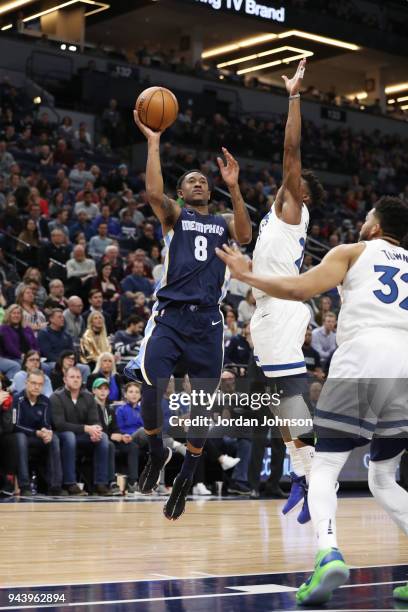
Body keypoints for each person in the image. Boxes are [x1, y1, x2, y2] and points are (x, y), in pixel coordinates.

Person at [216, 195, 408, 605]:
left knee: (325, 465)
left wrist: (248, 276)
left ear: (374, 227)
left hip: (364, 355)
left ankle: (328, 553)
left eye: (366, 217)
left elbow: (298, 288)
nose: (362, 222)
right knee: (384, 476)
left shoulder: (353, 251)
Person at [124, 109, 251, 520]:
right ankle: (157, 449)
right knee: (149, 383)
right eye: (190, 181)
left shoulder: (223, 220)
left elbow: (247, 234)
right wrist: (155, 142)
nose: (198, 182)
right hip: (171, 317)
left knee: (201, 408)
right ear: (181, 194)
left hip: (209, 323)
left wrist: (234, 187)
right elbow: (153, 194)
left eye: (203, 179)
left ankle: (185, 477)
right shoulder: (175, 216)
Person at [237, 59, 324, 523]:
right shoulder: (274, 216)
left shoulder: (294, 210)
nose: (285, 182)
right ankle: (301, 474)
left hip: (284, 308)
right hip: (269, 312)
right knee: (278, 402)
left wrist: (293, 96)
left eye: (294, 183)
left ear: (301, 196)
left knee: (292, 396)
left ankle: (314, 481)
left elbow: (292, 149)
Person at [50, 366, 112, 496]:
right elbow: (59, 424)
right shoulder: (56, 397)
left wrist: (96, 430)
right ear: (65, 379)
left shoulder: (88, 397)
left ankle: (101, 483)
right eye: (72, 377)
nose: (76, 380)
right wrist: (85, 428)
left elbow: (95, 420)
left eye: (78, 377)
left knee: (103, 438)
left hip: (83, 435)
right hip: (62, 435)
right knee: (69, 436)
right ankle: (70, 484)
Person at [13, 369, 64, 496]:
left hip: (38, 437)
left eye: (40, 384)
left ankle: (55, 486)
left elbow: (46, 423)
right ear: (26, 383)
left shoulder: (45, 401)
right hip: (22, 436)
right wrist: (37, 433)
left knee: (54, 439)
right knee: (20, 438)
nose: (37, 387)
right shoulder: (16, 399)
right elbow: (15, 426)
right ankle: (24, 485)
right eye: (33, 383)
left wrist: (47, 432)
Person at [91, 378, 122, 496]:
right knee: (109, 445)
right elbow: (96, 426)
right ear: (94, 391)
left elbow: (115, 427)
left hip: (108, 438)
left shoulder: (110, 408)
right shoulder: (92, 406)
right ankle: (110, 481)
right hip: (96, 437)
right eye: (100, 389)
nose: (103, 391)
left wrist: (121, 435)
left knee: (132, 446)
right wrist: (111, 436)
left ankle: (133, 482)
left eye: (106, 389)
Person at [115, 381, 145, 493]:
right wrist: (124, 435)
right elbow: (118, 428)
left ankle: (157, 482)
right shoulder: (121, 410)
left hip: (141, 439)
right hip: (127, 438)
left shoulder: (143, 410)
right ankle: (133, 483)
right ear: (125, 394)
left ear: (141, 395)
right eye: (131, 392)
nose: (134, 394)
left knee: (156, 442)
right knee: (144, 432)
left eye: (137, 392)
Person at [0, 304, 38, 377]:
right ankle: (9, 386)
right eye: (14, 313)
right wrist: (22, 356)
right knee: (19, 365)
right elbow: (9, 347)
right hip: (13, 357)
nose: (16, 315)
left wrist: (36, 355)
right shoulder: (4, 328)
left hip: (30, 356)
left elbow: (35, 344)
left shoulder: (27, 329)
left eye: (18, 313)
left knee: (46, 367)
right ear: (9, 315)